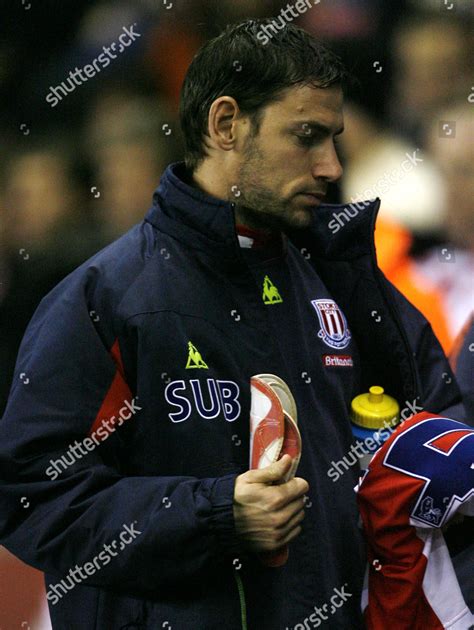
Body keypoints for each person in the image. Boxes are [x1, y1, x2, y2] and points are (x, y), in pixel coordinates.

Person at [0, 19, 465, 630]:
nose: (330, 166)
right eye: (306, 136)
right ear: (225, 124)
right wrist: (216, 513)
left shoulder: (348, 280)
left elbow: (442, 428)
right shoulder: (105, 300)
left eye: (335, 140)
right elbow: (31, 495)